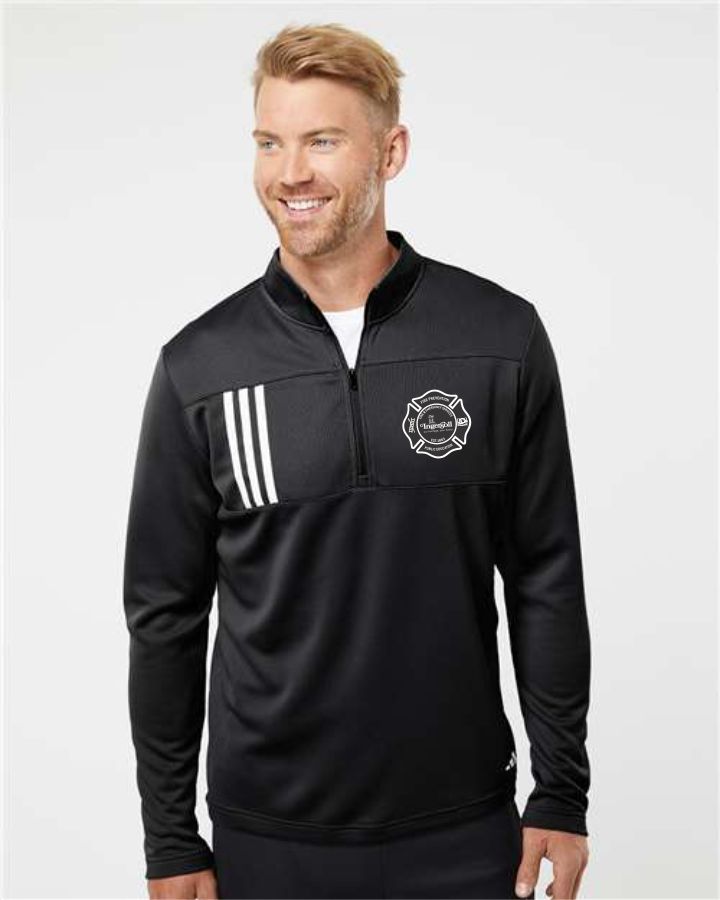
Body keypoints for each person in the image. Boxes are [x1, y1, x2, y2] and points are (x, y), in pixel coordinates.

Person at [123, 22, 591, 900]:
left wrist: (561, 791)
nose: (289, 172)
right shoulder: (201, 367)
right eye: (269, 142)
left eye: (322, 141)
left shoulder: (500, 337)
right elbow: (165, 616)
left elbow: (545, 576)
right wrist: (171, 839)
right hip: (269, 839)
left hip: (464, 834)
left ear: (391, 151)